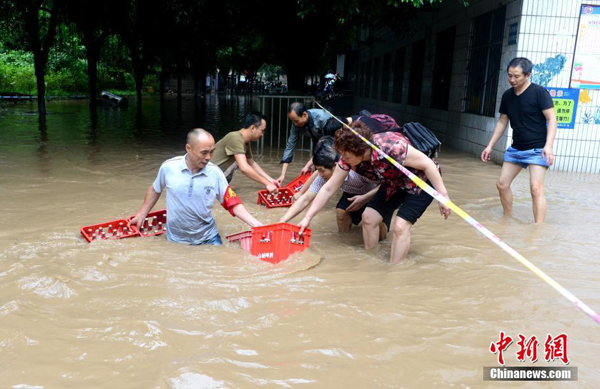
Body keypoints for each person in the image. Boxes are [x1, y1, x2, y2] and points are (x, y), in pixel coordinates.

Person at [298, 120, 452, 264]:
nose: (343, 159)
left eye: (346, 155)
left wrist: (443, 197)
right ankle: (370, 261)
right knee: (369, 217)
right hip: (394, 183)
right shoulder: (348, 159)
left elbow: (427, 164)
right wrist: (307, 218)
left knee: (400, 226)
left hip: (421, 182)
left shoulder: (390, 147)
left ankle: (394, 271)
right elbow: (328, 188)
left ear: (359, 149)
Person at [130, 128, 263, 246]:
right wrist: (142, 215)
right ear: (188, 148)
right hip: (176, 240)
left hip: (208, 238)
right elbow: (155, 190)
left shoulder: (215, 173)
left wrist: (256, 224)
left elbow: (232, 202)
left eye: (212, 152)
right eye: (204, 152)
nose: (209, 157)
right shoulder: (169, 167)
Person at [481, 57, 557, 223]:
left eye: (516, 76)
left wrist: (548, 146)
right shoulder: (508, 95)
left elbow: (552, 119)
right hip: (517, 148)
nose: (512, 80)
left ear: (528, 75)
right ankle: (507, 218)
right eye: (509, 75)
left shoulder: (539, 92)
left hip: (538, 149)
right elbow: (502, 121)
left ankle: (538, 228)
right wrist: (490, 146)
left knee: (536, 188)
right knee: (502, 184)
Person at [279, 136, 383, 235]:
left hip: (376, 193)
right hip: (353, 193)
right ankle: (345, 242)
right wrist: (282, 221)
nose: (319, 174)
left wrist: (365, 198)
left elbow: (384, 184)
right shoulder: (323, 176)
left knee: (378, 228)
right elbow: (306, 198)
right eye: (318, 170)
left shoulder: (358, 170)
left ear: (335, 165)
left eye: (321, 170)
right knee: (341, 212)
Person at [213, 111, 279, 194]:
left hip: (218, 182)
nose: (262, 134)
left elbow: (251, 163)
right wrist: (266, 183)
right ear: (252, 128)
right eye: (262, 131)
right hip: (209, 181)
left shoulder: (245, 142)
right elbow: (244, 167)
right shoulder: (235, 138)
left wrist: (270, 180)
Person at [277, 102, 332, 185]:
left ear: (304, 114)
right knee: (315, 171)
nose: (295, 124)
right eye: (292, 121)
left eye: (296, 121)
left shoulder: (322, 118)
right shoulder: (296, 124)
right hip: (318, 142)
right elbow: (290, 146)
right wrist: (282, 175)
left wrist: (307, 165)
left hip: (331, 144)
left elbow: (326, 147)